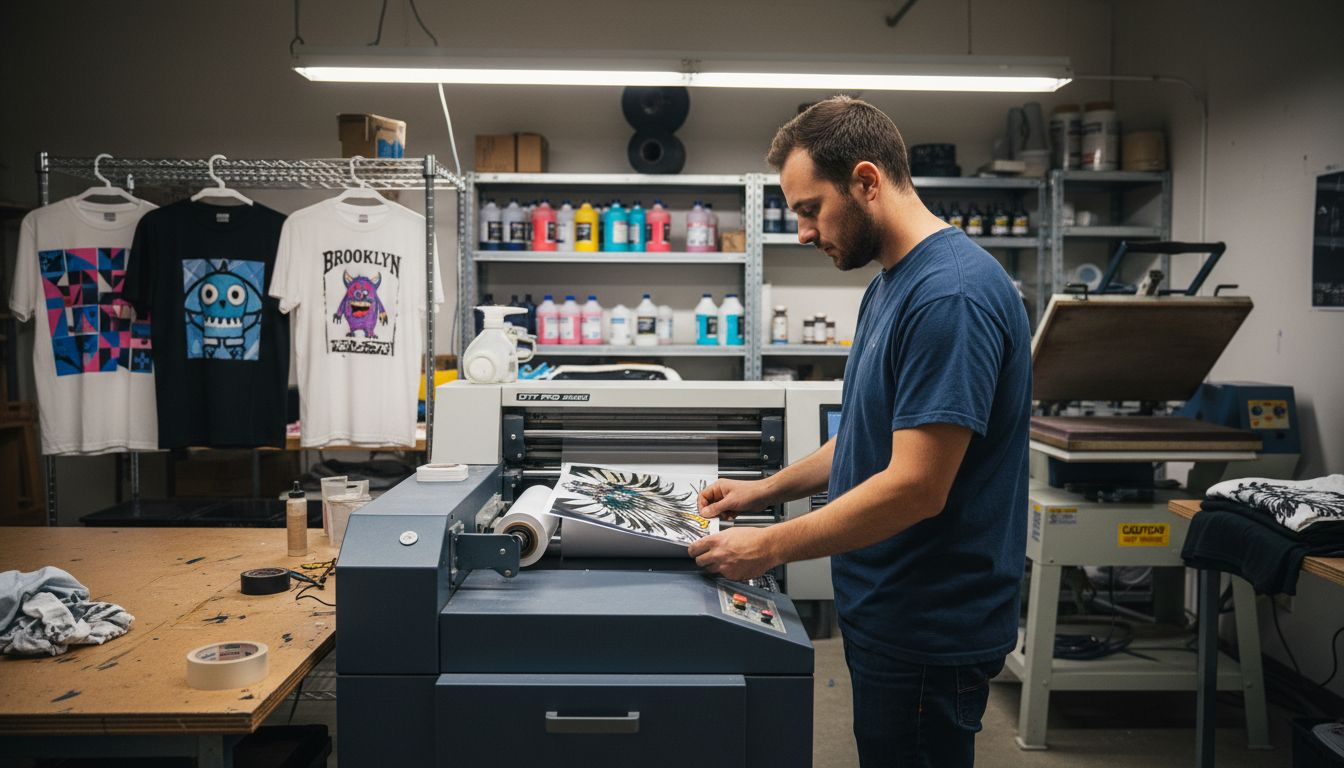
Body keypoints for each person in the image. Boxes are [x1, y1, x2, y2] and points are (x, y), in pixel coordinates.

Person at [688, 96, 1032, 767]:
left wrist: (768, 548)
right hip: (888, 607)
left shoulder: (950, 297)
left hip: (928, 626)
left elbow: (915, 487)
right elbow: (868, 435)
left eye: (811, 209)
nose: (802, 233)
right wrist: (765, 491)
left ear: (867, 182)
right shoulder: (891, 284)